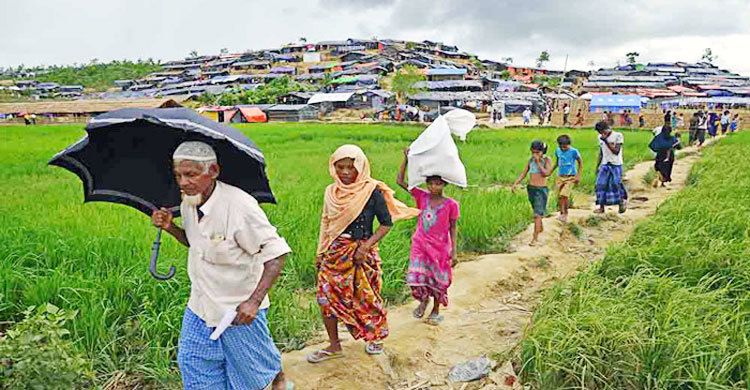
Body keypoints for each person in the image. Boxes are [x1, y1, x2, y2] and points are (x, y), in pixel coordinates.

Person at [151, 141, 292, 390]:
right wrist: (170, 228)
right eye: (178, 175)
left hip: (237, 309)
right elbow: (197, 242)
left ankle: (278, 379)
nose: (183, 182)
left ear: (213, 170)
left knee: (249, 373)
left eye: (191, 174)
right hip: (201, 305)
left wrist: (254, 302)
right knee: (193, 362)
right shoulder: (189, 202)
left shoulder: (240, 206)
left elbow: (276, 254)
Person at [308, 145, 418, 363]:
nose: (346, 172)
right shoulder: (331, 192)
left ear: (361, 167)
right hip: (335, 253)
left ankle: (374, 337)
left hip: (361, 253)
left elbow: (386, 224)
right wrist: (321, 252)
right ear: (333, 168)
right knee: (325, 298)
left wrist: (366, 246)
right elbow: (326, 222)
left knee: (366, 298)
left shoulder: (371, 191)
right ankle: (334, 345)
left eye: (351, 167)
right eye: (340, 167)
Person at [397, 150, 460, 326]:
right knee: (416, 277)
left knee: (439, 280)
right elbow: (400, 182)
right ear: (427, 184)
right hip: (420, 244)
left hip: (440, 248)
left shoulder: (451, 205)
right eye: (431, 184)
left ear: (444, 184)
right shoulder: (421, 196)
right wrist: (406, 159)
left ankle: (436, 309)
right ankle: (423, 301)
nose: (434, 187)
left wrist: (454, 251)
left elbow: (453, 228)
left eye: (438, 184)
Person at [512, 140, 552, 246]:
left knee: (537, 214)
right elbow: (524, 173)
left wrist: (539, 162)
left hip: (541, 189)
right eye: (533, 152)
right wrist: (515, 183)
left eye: (537, 153)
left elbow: (546, 173)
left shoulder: (547, 160)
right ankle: (540, 227)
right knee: (535, 209)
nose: (534, 155)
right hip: (531, 188)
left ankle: (535, 238)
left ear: (542, 152)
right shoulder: (530, 161)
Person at [594, 121, 627, 214]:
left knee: (616, 184)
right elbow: (601, 152)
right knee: (600, 185)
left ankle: (621, 203)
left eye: (603, 131)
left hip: (616, 164)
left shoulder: (618, 136)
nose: (602, 134)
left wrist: (606, 141)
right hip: (605, 164)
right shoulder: (600, 138)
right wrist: (598, 166)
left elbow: (616, 151)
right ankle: (601, 207)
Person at [551, 135, 582, 223]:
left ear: (569, 145)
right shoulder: (558, 151)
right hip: (560, 176)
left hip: (570, 177)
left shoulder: (574, 151)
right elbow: (557, 162)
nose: (563, 149)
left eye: (565, 147)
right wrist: (550, 172)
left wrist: (578, 176)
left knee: (564, 195)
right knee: (560, 196)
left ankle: (565, 213)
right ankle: (561, 213)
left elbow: (580, 163)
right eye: (561, 147)